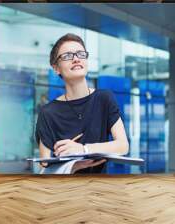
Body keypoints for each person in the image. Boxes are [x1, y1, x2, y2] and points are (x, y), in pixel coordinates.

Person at [35, 33, 129, 174]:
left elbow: (123, 146)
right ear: (56, 68)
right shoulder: (48, 112)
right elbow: (44, 165)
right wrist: (73, 166)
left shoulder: (104, 98)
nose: (76, 59)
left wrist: (84, 149)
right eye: (67, 56)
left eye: (80, 54)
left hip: (100, 190)